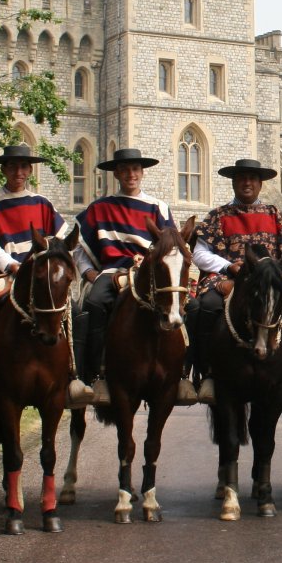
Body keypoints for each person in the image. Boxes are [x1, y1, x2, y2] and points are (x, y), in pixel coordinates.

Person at [73, 148, 189, 407]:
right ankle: (95, 371)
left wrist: (147, 259)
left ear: (142, 172)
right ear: (117, 173)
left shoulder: (158, 207)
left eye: (135, 169)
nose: (130, 174)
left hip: (148, 274)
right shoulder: (100, 208)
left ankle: (180, 373)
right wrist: (89, 273)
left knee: (177, 303)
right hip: (112, 271)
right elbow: (79, 249)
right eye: (125, 170)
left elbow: (169, 245)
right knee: (93, 303)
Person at [188, 157, 282, 404]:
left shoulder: (275, 214)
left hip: (269, 282)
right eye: (242, 178)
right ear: (233, 182)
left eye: (252, 178)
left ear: (260, 184)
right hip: (225, 279)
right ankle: (207, 372)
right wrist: (227, 265)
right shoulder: (217, 216)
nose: (247, 183)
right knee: (206, 307)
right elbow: (199, 254)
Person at [0, 143, 67, 401]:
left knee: (71, 312)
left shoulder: (42, 204)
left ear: (30, 170)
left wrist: (39, 266)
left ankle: (74, 374)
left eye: (23, 166)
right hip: (5, 275)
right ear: (4, 169)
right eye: (12, 166)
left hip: (39, 278)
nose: (18, 171)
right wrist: (12, 265)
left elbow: (58, 241)